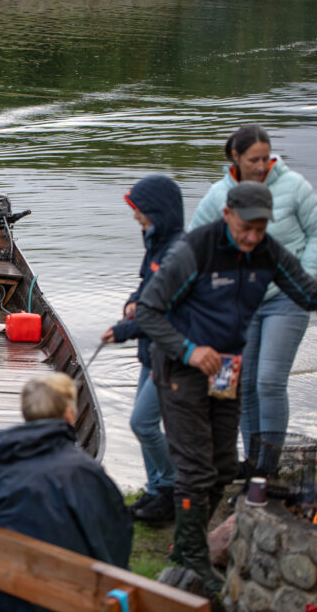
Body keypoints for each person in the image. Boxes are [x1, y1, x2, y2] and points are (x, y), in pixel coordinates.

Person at [137, 181, 317, 597]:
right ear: (228, 216)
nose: (252, 237)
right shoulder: (195, 250)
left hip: (227, 370)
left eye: (260, 229)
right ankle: (192, 558)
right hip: (181, 368)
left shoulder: (265, 252)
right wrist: (188, 350)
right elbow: (149, 311)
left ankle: (188, 548)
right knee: (195, 470)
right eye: (246, 228)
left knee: (223, 468)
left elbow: (308, 289)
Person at [188, 124, 317, 461]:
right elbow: (193, 243)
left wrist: (303, 280)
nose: (261, 166)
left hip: (286, 298)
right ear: (235, 158)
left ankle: (268, 468)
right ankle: (252, 466)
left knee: (268, 381)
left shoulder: (294, 186)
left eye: (266, 159)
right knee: (238, 385)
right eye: (254, 159)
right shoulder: (218, 195)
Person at [0, 374, 132, 612]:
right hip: (65, 601)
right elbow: (116, 542)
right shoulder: (85, 472)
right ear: (68, 415)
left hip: (0, 597)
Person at [101, 175, 182, 524]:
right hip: (150, 352)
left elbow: (165, 310)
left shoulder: (178, 253)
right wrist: (133, 302)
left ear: (159, 212)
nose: (136, 217)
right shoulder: (156, 242)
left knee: (143, 423)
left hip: (170, 353)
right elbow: (145, 289)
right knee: (144, 422)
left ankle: (173, 487)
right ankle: (155, 491)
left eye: (141, 211)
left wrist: (123, 330)